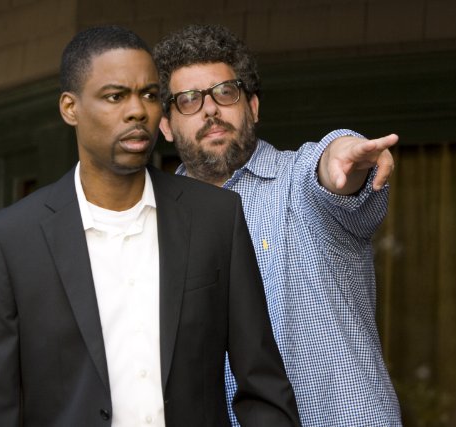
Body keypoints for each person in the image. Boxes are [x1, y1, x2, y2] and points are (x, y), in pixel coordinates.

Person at [0, 25, 301, 427]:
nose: (138, 110)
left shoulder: (215, 217)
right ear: (70, 108)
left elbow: (262, 385)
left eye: (150, 95)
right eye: (116, 96)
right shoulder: (12, 239)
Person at [154, 24, 402, 427]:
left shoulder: (298, 182)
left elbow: (330, 168)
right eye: (188, 100)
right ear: (166, 125)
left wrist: (344, 156)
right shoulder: (156, 221)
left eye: (225, 92)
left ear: (252, 107)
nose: (210, 110)